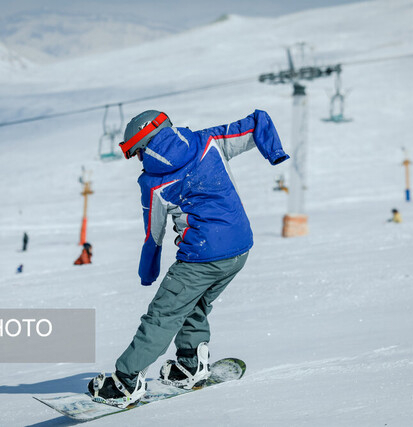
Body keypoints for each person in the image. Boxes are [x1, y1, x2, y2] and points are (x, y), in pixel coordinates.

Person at [87, 109, 289, 408]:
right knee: (193, 303)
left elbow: (152, 236)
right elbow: (259, 121)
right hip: (240, 249)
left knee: (163, 315)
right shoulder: (210, 140)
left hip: (202, 255)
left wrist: (148, 272)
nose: (139, 161)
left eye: (136, 154)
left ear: (145, 146)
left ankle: (124, 382)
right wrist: (275, 153)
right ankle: (190, 364)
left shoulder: (153, 183)